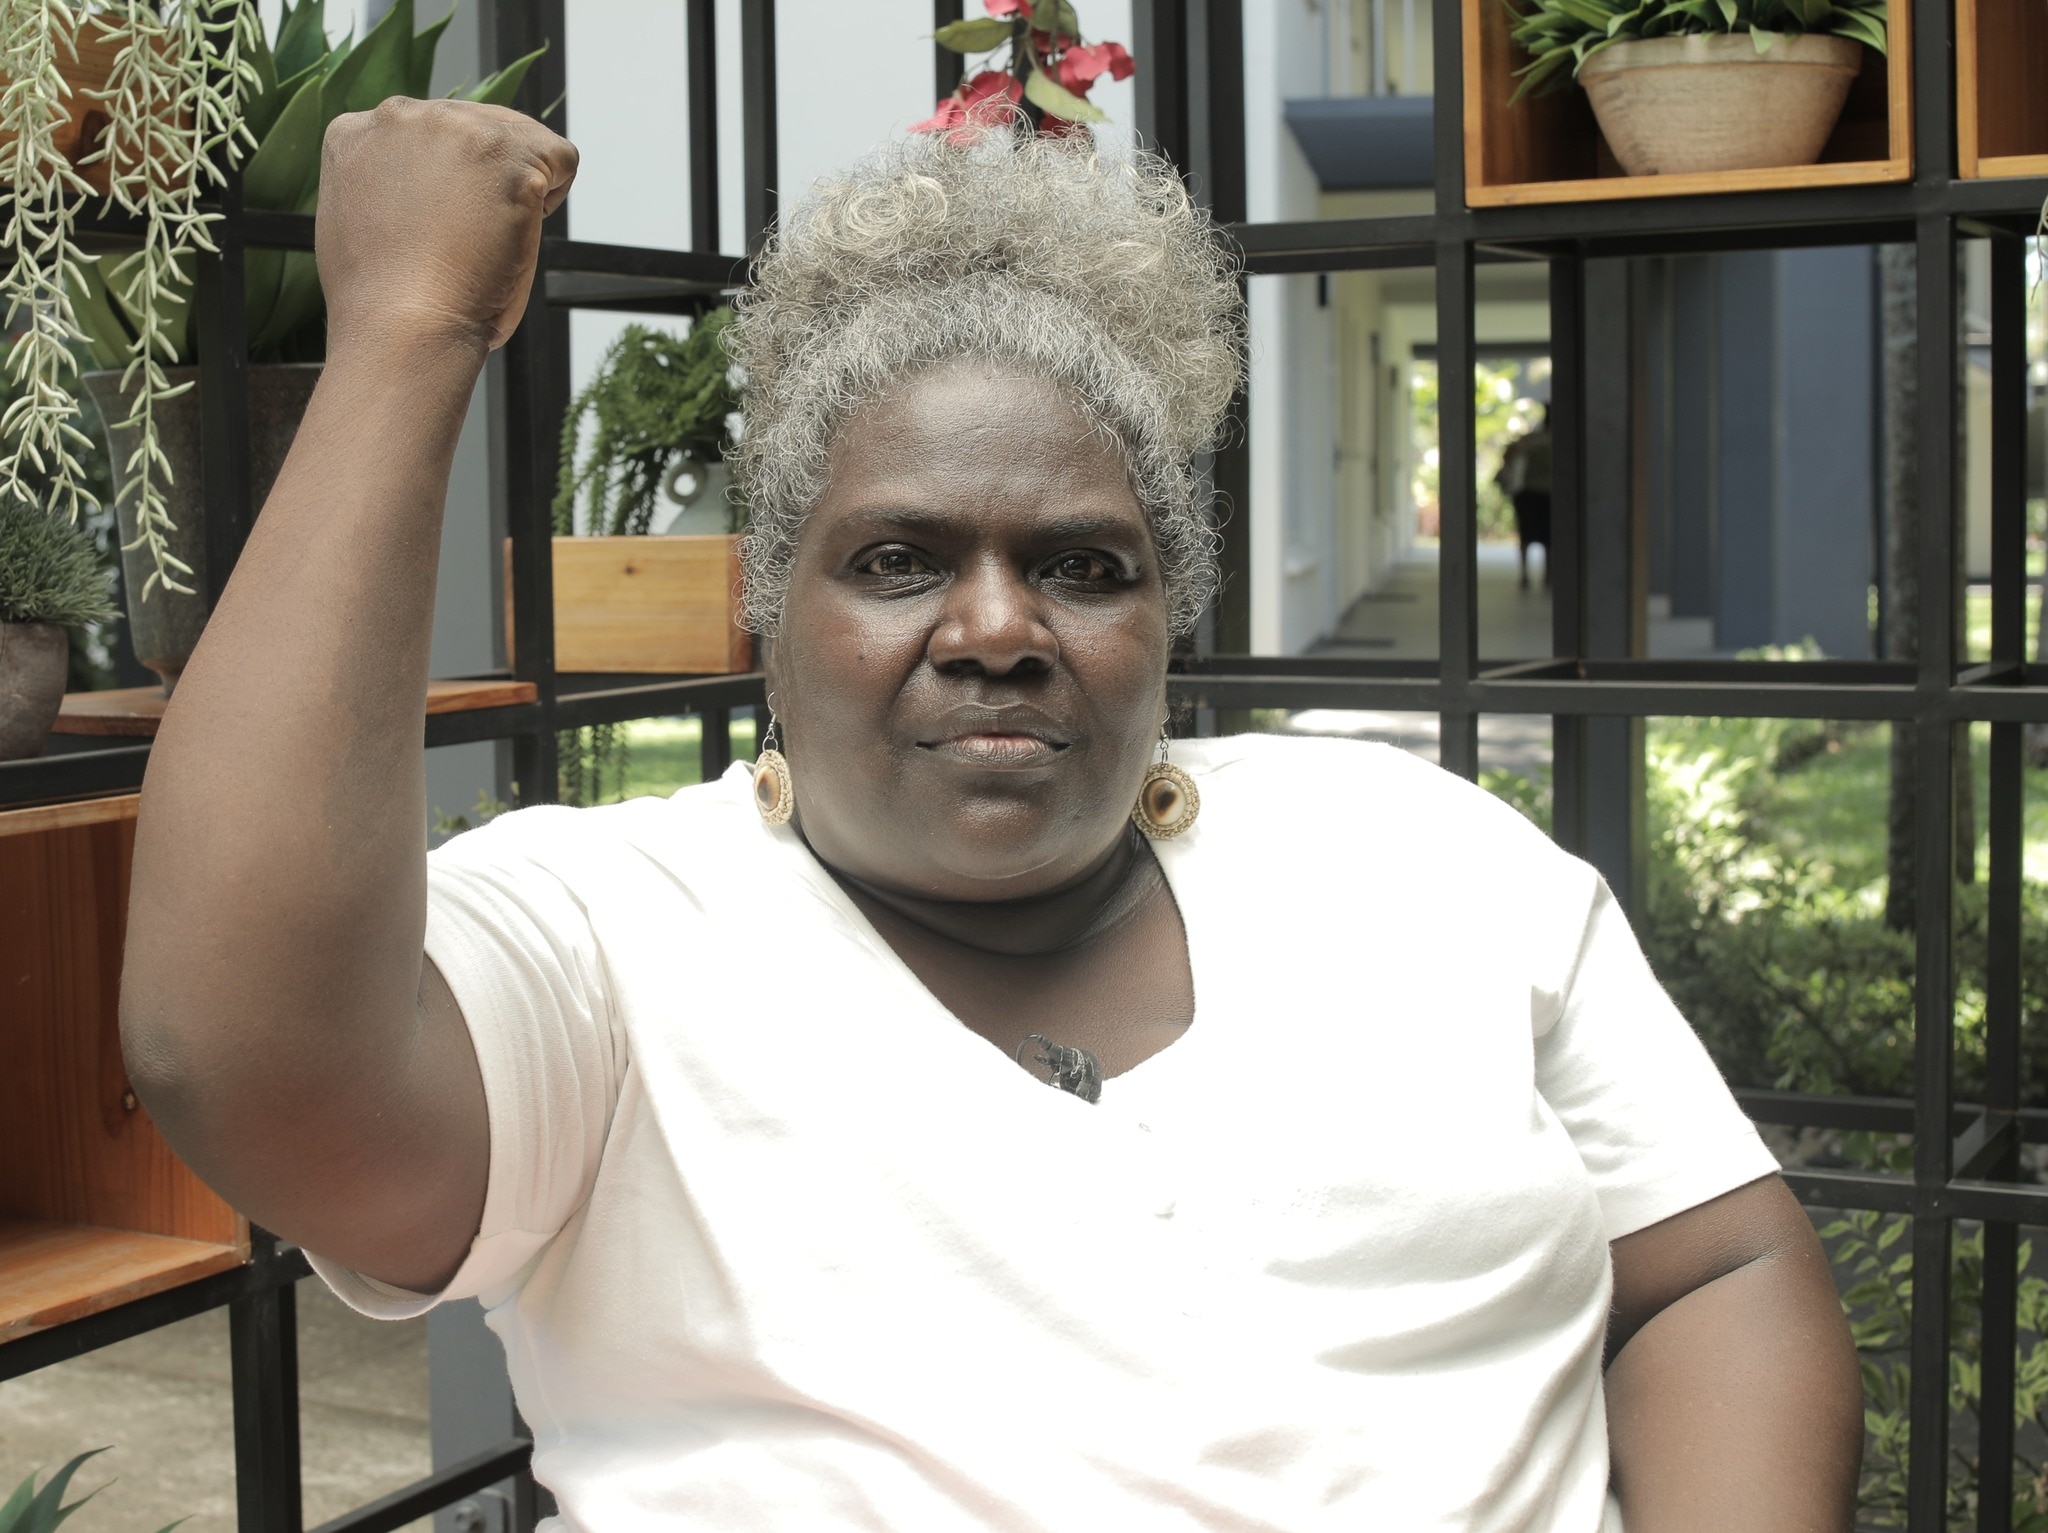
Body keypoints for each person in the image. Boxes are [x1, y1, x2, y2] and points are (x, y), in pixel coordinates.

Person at [120, 99, 1861, 1532]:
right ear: (766, 618)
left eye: (1079, 566)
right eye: (895, 559)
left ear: (1168, 611)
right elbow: (245, 1052)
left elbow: (1709, 1263)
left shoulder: (1418, 849)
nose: (996, 627)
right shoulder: (614, 933)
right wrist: (404, 340)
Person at [1499, 405, 1553, 590]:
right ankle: (1547, 575)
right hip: (1549, 493)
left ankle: (1524, 575)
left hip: (1527, 492)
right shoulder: (1558, 442)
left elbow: (1508, 455)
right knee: (1549, 537)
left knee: (1526, 535)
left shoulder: (1530, 441)